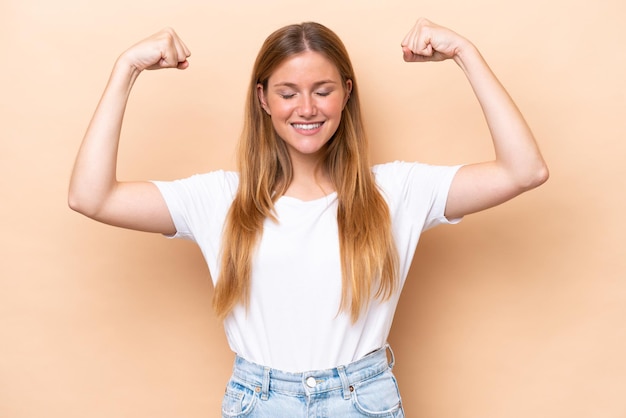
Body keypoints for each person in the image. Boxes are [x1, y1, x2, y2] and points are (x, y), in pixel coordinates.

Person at [69, 17, 548, 417]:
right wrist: (126, 69)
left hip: (363, 401)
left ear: (346, 94)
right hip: (259, 402)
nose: (306, 109)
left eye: (322, 91)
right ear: (263, 99)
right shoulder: (218, 198)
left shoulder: (398, 191)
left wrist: (466, 52)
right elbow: (92, 198)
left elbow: (524, 170)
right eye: (287, 92)